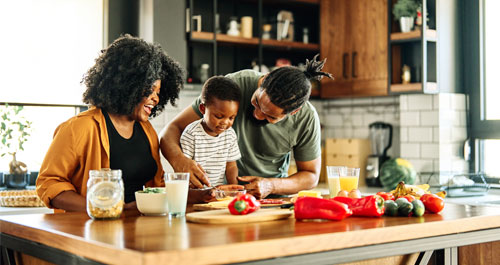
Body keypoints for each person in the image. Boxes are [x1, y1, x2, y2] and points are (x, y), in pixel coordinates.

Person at [36, 34, 184, 211]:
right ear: (128, 85)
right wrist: (103, 207)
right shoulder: (78, 128)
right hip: (94, 229)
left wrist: (197, 194)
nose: (155, 99)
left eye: (158, 93)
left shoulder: (147, 130)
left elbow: (157, 186)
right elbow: (49, 183)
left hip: (141, 227)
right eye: (150, 90)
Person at [160, 54, 332, 199]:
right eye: (256, 102)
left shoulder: (306, 118)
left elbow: (311, 176)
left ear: (293, 113)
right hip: (218, 198)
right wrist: (180, 161)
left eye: (270, 116)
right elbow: (171, 130)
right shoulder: (234, 86)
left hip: (270, 202)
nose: (257, 114)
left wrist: (271, 186)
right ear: (263, 79)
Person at [180, 76, 241, 187]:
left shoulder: (230, 134)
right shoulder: (191, 134)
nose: (225, 122)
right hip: (195, 192)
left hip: (219, 193)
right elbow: (184, 169)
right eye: (219, 116)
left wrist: (235, 189)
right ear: (203, 109)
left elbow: (231, 166)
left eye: (231, 118)